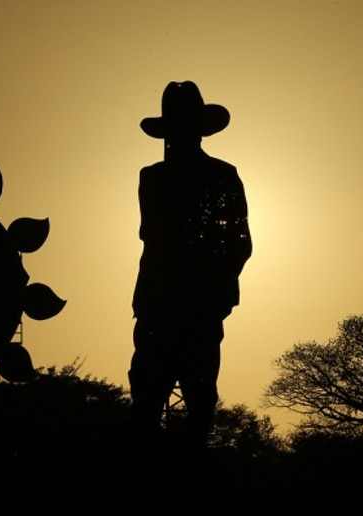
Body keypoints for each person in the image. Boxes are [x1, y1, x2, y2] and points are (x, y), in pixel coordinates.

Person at [129, 81, 252, 448]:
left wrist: (215, 289)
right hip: (165, 304)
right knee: (153, 397)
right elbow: (157, 234)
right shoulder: (157, 177)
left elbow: (237, 242)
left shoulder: (209, 176)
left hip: (188, 304)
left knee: (192, 398)